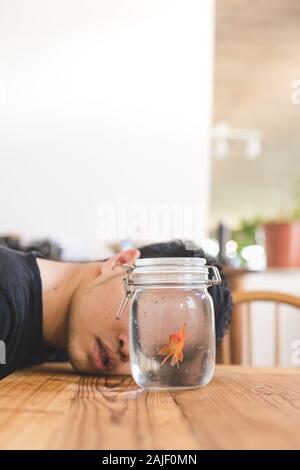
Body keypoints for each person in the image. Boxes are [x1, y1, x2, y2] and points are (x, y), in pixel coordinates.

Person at [0, 240, 232, 379]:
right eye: (145, 316)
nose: (129, 352)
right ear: (120, 263)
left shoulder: (65, 344)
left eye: (152, 353)